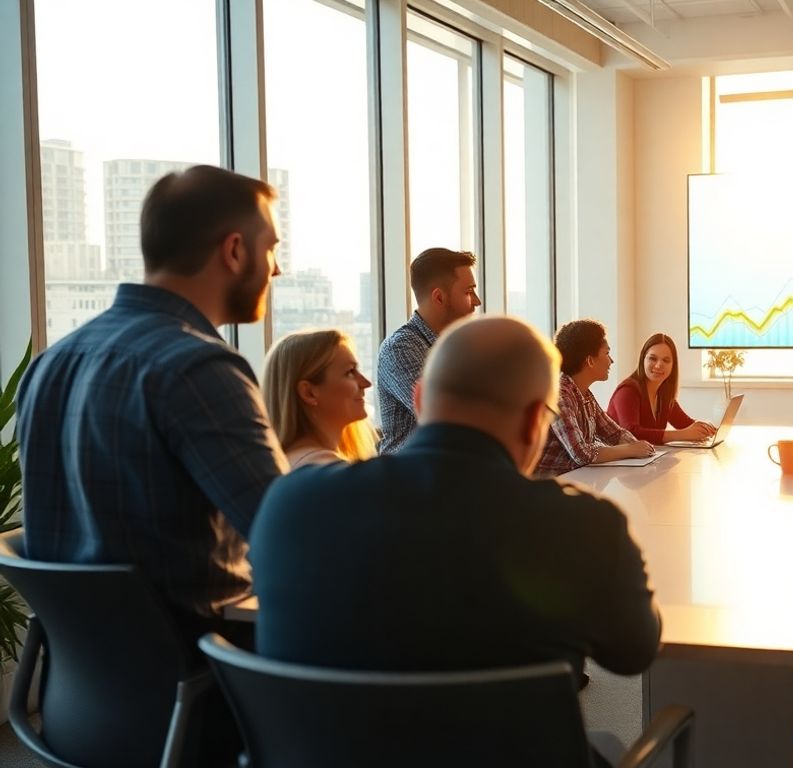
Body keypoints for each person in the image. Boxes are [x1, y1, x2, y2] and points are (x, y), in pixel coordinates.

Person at [250, 316, 661, 766]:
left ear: (421, 399)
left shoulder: (290, 502)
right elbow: (634, 649)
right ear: (534, 422)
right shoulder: (582, 525)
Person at [16, 165, 289, 642]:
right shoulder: (199, 370)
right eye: (271, 248)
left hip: (83, 695)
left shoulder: (50, 364)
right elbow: (288, 534)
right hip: (208, 685)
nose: (276, 268)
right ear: (234, 250)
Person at [376, 247, 481, 453]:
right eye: (469, 292)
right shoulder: (401, 348)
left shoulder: (457, 348)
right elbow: (447, 417)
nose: (477, 301)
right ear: (439, 298)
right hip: (409, 479)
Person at [536, 320, 654, 476]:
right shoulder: (559, 395)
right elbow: (581, 454)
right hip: (548, 486)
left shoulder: (585, 395)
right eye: (607, 353)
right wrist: (630, 449)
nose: (611, 360)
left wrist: (638, 446)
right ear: (590, 360)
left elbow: (614, 433)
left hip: (577, 478)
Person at [262, 330, 378, 469]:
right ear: (309, 393)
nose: (366, 383)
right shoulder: (328, 470)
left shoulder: (286, 462)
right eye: (349, 372)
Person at [607, 333, 716, 444]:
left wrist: (706, 428)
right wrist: (683, 434)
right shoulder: (627, 391)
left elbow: (685, 423)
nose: (659, 365)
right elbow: (631, 433)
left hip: (647, 459)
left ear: (673, 365)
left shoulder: (663, 394)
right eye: (653, 358)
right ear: (642, 359)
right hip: (620, 461)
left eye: (666, 360)